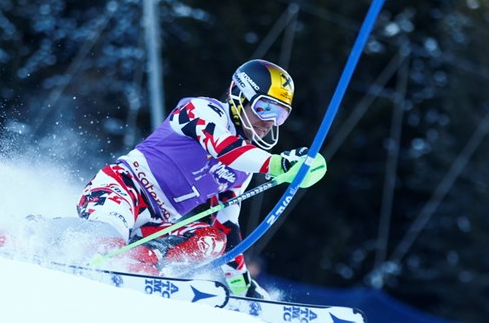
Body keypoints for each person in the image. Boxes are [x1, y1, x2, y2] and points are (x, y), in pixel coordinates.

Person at [77, 59, 326, 298]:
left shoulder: (244, 169)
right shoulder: (201, 110)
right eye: (264, 108)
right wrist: (279, 164)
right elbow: (223, 148)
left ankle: (144, 261)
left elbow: (227, 227)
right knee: (102, 246)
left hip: (155, 226)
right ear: (239, 95)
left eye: (280, 115)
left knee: (214, 241)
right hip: (122, 190)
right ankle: (51, 235)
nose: (268, 122)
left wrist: (240, 283)